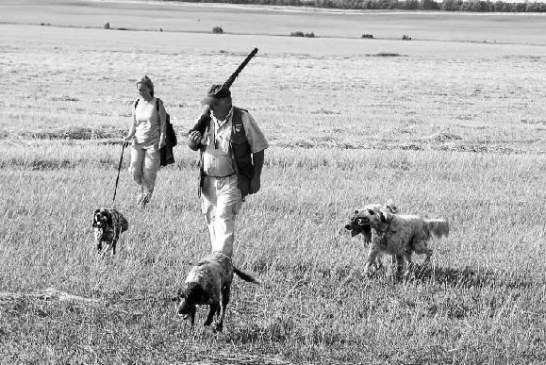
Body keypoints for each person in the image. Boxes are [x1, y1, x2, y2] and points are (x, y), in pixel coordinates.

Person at [187, 84, 268, 257]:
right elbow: (192, 143)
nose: (210, 108)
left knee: (223, 218)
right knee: (212, 221)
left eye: (214, 104)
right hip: (207, 181)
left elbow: (259, 148)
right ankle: (222, 266)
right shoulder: (204, 119)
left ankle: (218, 262)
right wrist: (193, 142)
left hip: (232, 180)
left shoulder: (243, 118)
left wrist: (256, 178)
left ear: (226, 102)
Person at [124, 75, 166, 208]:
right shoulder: (136, 103)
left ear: (149, 88)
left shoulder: (157, 103)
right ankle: (142, 191)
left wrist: (162, 139)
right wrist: (128, 136)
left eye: (143, 89)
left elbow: (163, 124)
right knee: (135, 170)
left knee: (149, 172)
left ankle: (144, 200)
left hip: (153, 143)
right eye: (139, 90)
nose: (140, 92)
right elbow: (133, 124)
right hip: (137, 143)